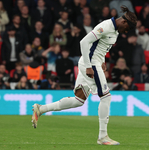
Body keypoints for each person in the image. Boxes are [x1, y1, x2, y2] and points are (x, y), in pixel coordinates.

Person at [32, 5, 137, 145]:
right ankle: (103, 137)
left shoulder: (116, 31)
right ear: (124, 22)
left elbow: (100, 47)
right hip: (90, 64)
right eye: (127, 28)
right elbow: (84, 42)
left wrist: (103, 61)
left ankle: (41, 108)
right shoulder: (105, 26)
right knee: (106, 97)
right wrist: (89, 66)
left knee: (78, 100)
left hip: (95, 63)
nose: (126, 32)